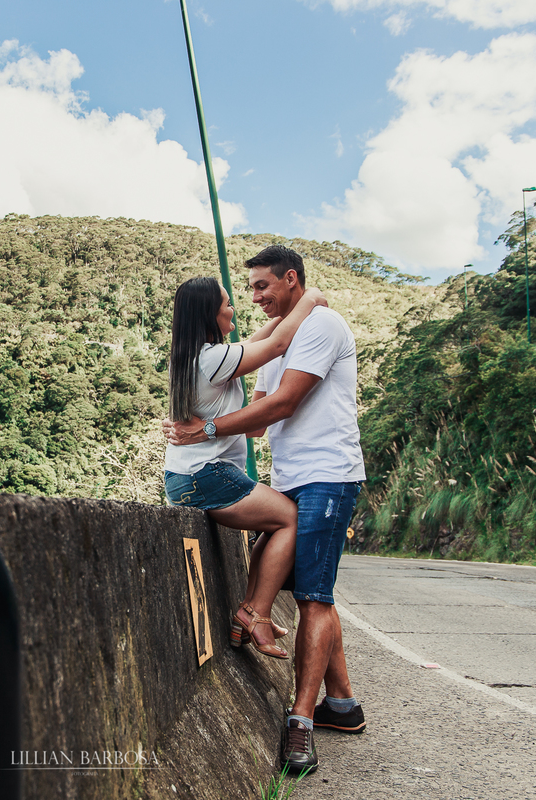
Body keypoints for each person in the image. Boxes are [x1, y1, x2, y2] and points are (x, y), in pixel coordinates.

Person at [164, 246, 366, 775]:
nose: (252, 299)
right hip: (291, 476)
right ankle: (341, 701)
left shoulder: (318, 327)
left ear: (292, 280)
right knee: (312, 588)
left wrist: (205, 428)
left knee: (314, 597)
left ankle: (303, 719)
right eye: (242, 292)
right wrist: (224, 419)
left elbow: (275, 408)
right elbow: (257, 412)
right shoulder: (254, 346)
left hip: (326, 473)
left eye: (260, 287)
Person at [163, 275, 326, 660]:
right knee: (290, 518)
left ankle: (248, 616)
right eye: (227, 304)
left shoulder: (192, 357)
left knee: (275, 521)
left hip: (184, 477)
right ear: (210, 313)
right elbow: (278, 344)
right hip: (207, 475)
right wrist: (312, 298)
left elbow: (254, 341)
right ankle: (256, 613)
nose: (234, 308)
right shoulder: (213, 358)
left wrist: (287, 310)